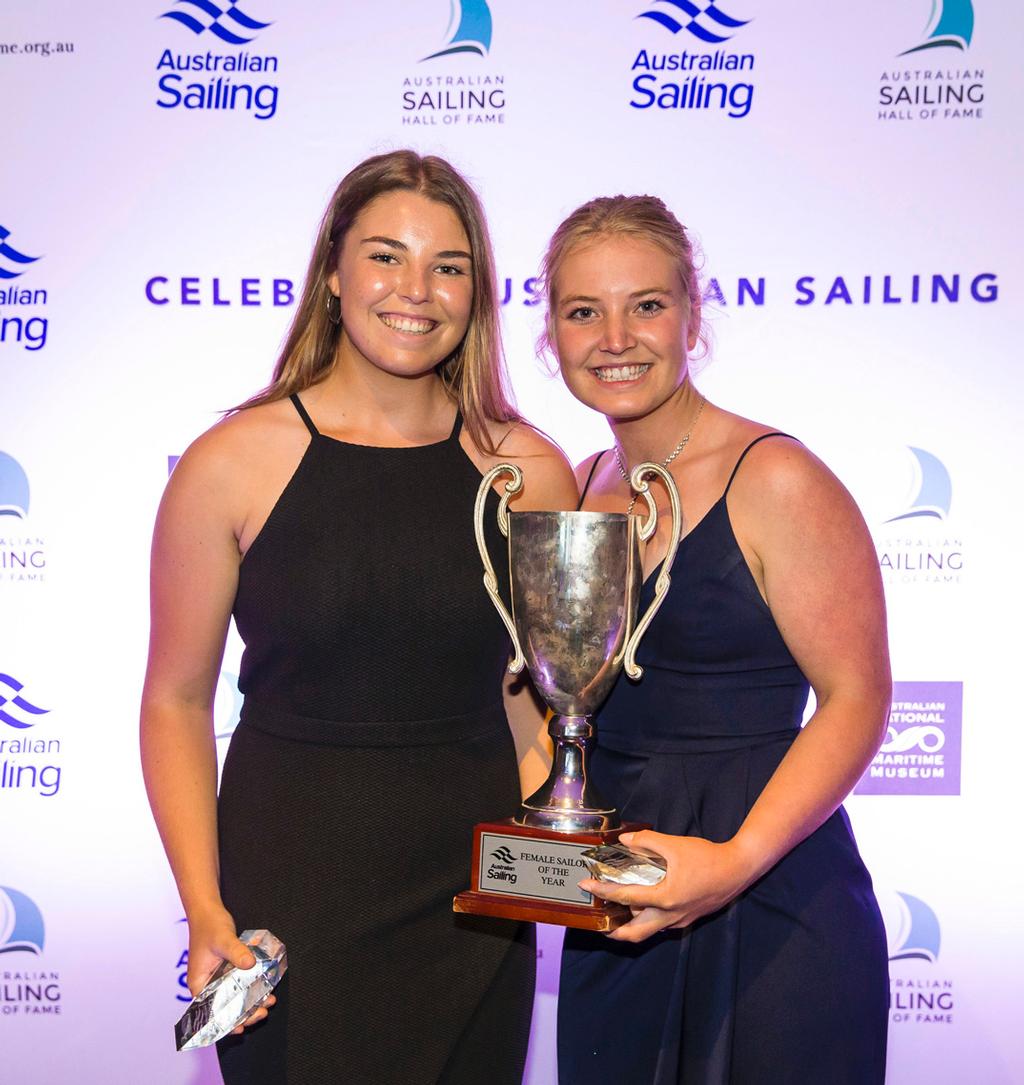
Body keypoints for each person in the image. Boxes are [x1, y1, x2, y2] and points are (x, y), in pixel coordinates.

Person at [140, 150, 577, 1084]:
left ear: (478, 292)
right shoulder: (229, 463)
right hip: (293, 886)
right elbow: (175, 700)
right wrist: (205, 909)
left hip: (474, 893)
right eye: (386, 255)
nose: (416, 290)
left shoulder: (529, 471)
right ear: (333, 273)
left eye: (448, 265)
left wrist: (563, 836)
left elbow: (535, 700)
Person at [542, 195, 890, 1084]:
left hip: (775, 899)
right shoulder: (575, 491)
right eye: (585, 311)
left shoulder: (775, 476)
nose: (615, 336)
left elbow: (857, 697)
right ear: (551, 335)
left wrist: (735, 861)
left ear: (692, 314)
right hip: (619, 902)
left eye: (646, 305)